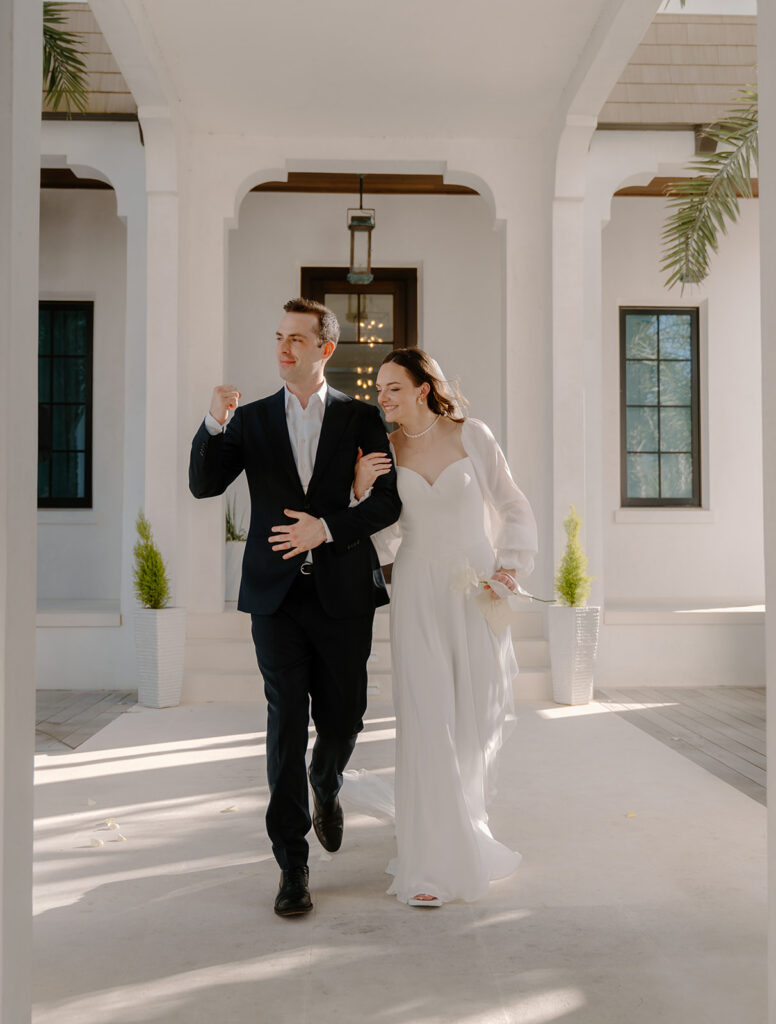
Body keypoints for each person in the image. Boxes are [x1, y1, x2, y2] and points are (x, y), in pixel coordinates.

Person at [188, 298, 401, 917]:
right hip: (274, 598)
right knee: (285, 723)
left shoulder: (361, 418)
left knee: (345, 715)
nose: (283, 349)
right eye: (279, 337)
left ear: (325, 349)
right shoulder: (250, 420)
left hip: (343, 593)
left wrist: (326, 529)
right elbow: (204, 484)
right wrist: (212, 421)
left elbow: (386, 503)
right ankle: (292, 863)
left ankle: (327, 782)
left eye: (297, 340)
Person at [348, 347, 538, 907]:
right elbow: (380, 533)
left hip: (474, 588)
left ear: (423, 389)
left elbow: (514, 505)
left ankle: (467, 826)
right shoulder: (384, 450)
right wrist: (360, 488)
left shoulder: (472, 435)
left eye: (393, 388)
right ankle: (430, 861)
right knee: (427, 716)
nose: (382, 397)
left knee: (472, 718)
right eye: (378, 389)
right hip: (417, 590)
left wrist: (509, 568)